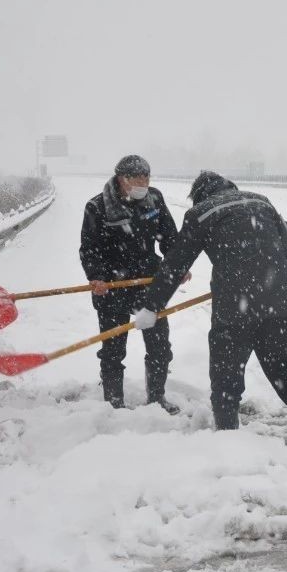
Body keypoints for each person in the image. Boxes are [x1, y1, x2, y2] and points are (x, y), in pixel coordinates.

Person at [133, 170, 287, 450]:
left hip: (234, 311)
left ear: (199, 195)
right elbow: (285, 248)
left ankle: (229, 447)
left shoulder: (201, 213)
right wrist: (256, 268)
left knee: (226, 384)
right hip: (277, 304)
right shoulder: (261, 201)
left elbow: (175, 265)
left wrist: (151, 307)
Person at [78, 155, 181, 413]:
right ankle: (114, 404)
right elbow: (90, 249)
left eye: (147, 178)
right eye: (137, 179)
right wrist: (96, 277)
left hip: (149, 283)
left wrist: (177, 265)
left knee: (160, 346)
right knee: (113, 348)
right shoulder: (98, 206)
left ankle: (157, 398)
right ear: (122, 179)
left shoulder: (154, 199)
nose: (143, 183)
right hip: (112, 285)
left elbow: (170, 237)